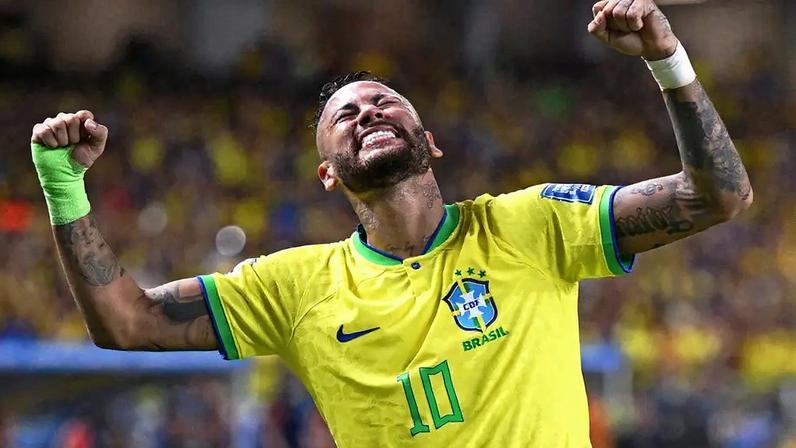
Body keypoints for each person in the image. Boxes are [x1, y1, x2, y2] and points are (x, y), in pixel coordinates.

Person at [29, 1, 752, 446]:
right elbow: (125, 322)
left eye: (385, 102)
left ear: (429, 141)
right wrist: (63, 184)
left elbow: (716, 196)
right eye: (345, 114)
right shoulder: (296, 287)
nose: (367, 111)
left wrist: (668, 61)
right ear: (328, 173)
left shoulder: (532, 226)